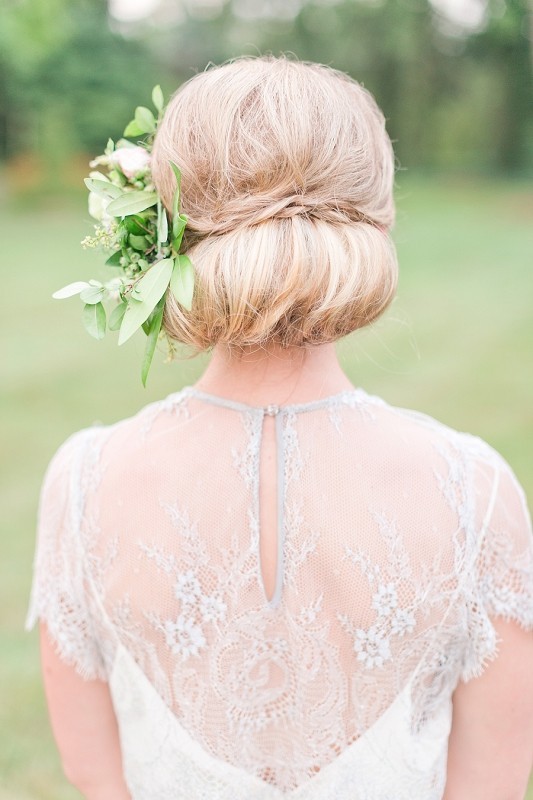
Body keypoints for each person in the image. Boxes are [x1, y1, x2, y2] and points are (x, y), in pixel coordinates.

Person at [26, 56, 533, 800]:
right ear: (374, 213)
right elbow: (489, 783)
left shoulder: (83, 482)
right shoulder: (474, 492)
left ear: (163, 220)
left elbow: (94, 776)